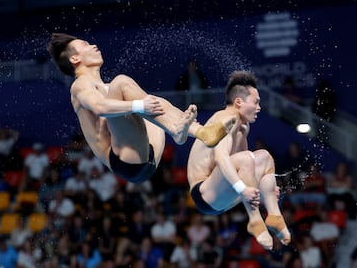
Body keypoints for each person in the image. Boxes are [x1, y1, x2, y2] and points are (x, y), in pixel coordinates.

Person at [46, 33, 235, 184]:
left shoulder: (107, 86)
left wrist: (142, 105)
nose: (93, 45)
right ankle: (184, 131)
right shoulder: (80, 85)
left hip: (147, 157)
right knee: (123, 84)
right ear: (75, 58)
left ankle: (194, 131)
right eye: (85, 44)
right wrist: (139, 105)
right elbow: (99, 107)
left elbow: (145, 106)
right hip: (125, 160)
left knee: (150, 100)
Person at [187, 70, 291, 250]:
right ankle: (255, 220)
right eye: (256, 102)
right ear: (238, 102)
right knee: (246, 158)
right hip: (204, 193)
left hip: (222, 190)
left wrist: (266, 189)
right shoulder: (226, 119)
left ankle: (274, 215)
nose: (259, 107)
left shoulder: (243, 126)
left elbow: (247, 169)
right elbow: (222, 158)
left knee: (264, 157)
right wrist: (244, 190)